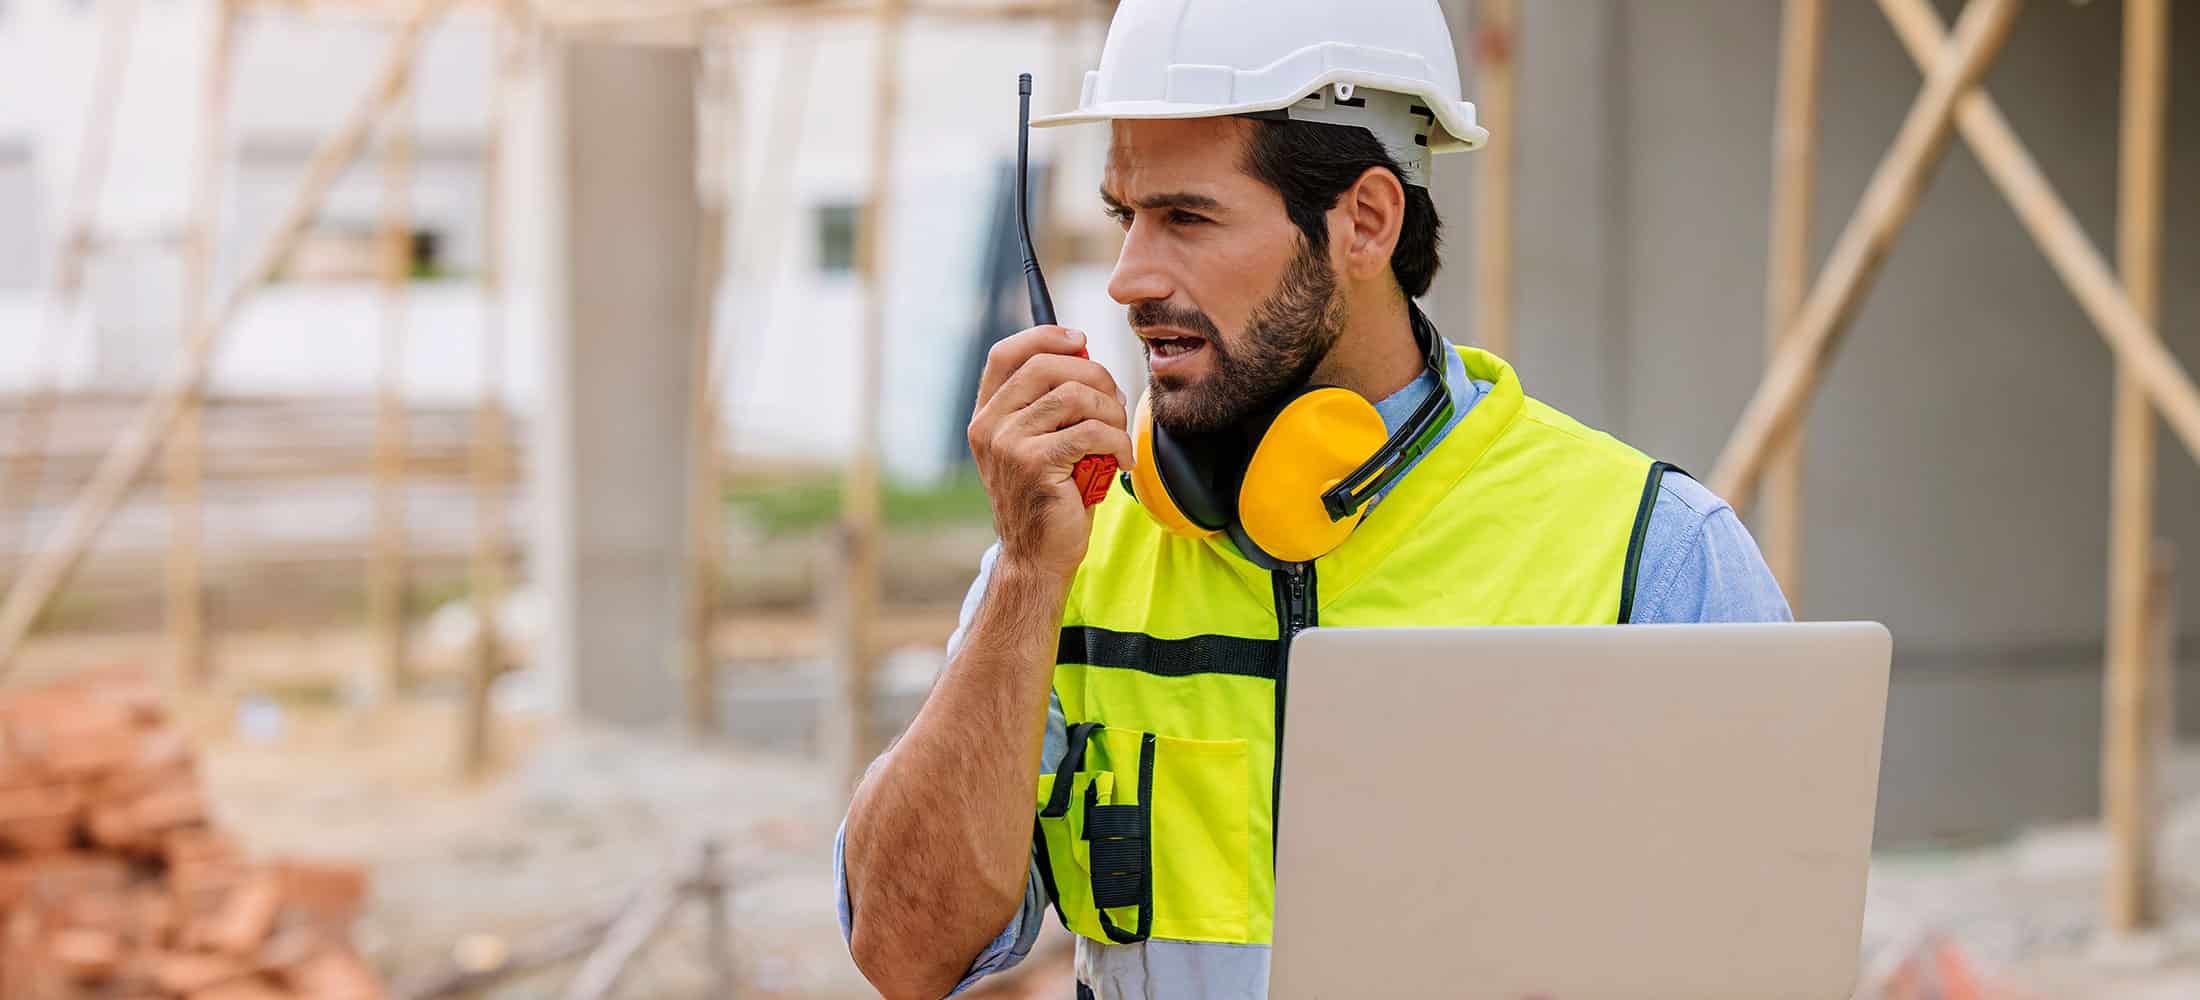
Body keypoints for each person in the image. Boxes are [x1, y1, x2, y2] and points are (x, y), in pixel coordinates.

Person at [835, 1, 1790, 996]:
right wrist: (1028, 577)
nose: (1128, 277)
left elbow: (1764, 961)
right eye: (1127, 216)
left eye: (1186, 217)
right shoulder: (1074, 544)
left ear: (1365, 221)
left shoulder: (1649, 552)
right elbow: (905, 950)